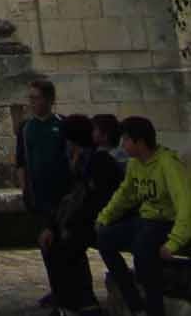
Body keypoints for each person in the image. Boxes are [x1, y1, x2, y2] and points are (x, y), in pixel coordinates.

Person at [93, 115, 191, 316]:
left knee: (143, 249)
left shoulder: (167, 164)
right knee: (104, 238)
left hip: (166, 221)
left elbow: (185, 204)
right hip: (145, 219)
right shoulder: (134, 164)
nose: (123, 145)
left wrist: (174, 242)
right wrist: (104, 218)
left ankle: (155, 309)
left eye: (126, 140)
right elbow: (125, 195)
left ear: (139, 141)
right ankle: (135, 303)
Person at [37, 113, 122, 314]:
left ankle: (84, 302)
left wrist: (71, 224)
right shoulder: (67, 161)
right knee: (52, 243)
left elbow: (98, 201)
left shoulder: (98, 161)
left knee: (70, 243)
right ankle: (65, 299)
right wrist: (51, 226)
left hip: (99, 221)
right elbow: (63, 197)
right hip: (75, 219)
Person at [17, 77, 73, 306]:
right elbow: (21, 161)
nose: (32, 103)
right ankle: (57, 288)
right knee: (47, 247)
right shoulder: (26, 127)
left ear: (49, 99)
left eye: (36, 98)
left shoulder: (62, 124)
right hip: (38, 195)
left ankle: (71, 290)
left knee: (65, 246)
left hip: (60, 195)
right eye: (30, 98)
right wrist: (25, 189)